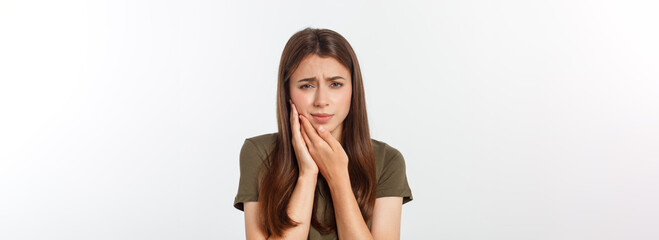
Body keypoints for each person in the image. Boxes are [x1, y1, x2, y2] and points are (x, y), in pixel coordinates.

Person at [233, 27, 413, 240]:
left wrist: (338, 177)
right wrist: (307, 174)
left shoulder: (387, 161)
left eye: (335, 84)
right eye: (307, 85)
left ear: (353, 89)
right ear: (287, 91)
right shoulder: (259, 153)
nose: (321, 100)